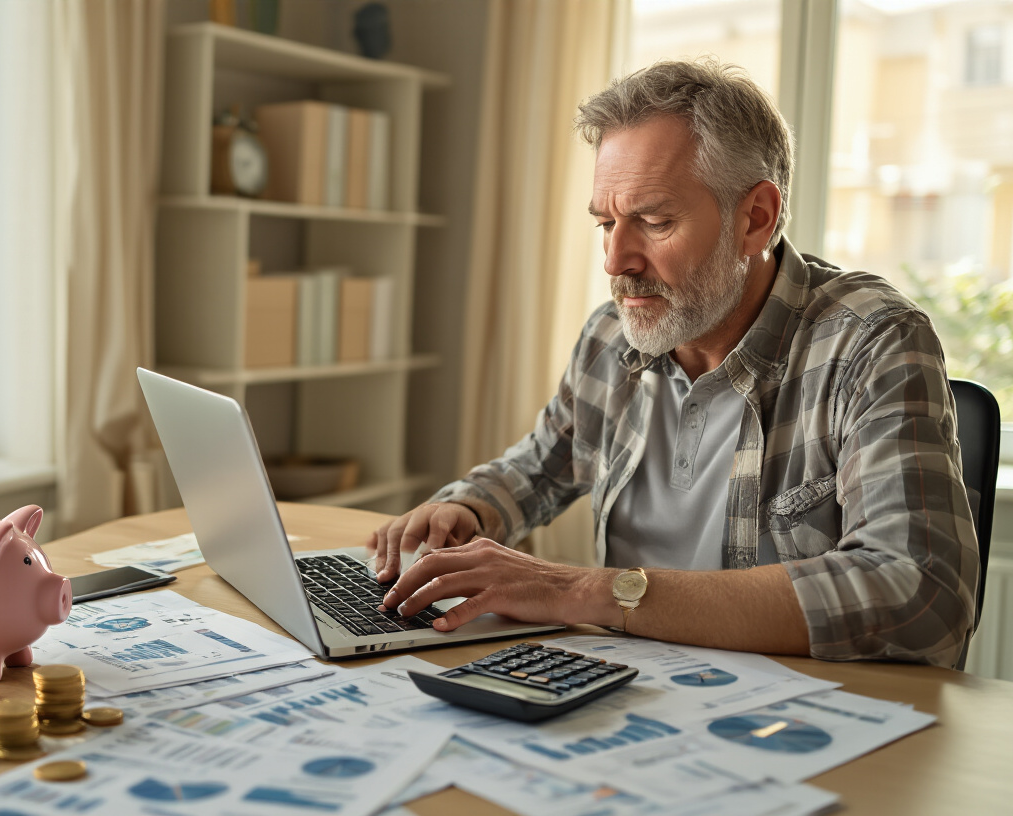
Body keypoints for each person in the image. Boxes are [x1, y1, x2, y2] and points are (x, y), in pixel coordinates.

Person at [365, 59, 980, 668]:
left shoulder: (870, 341)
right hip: (626, 693)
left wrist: (584, 591)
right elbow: (544, 467)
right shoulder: (614, 332)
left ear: (755, 219)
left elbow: (921, 595)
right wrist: (468, 508)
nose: (615, 261)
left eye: (654, 222)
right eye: (606, 224)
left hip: (793, 721)